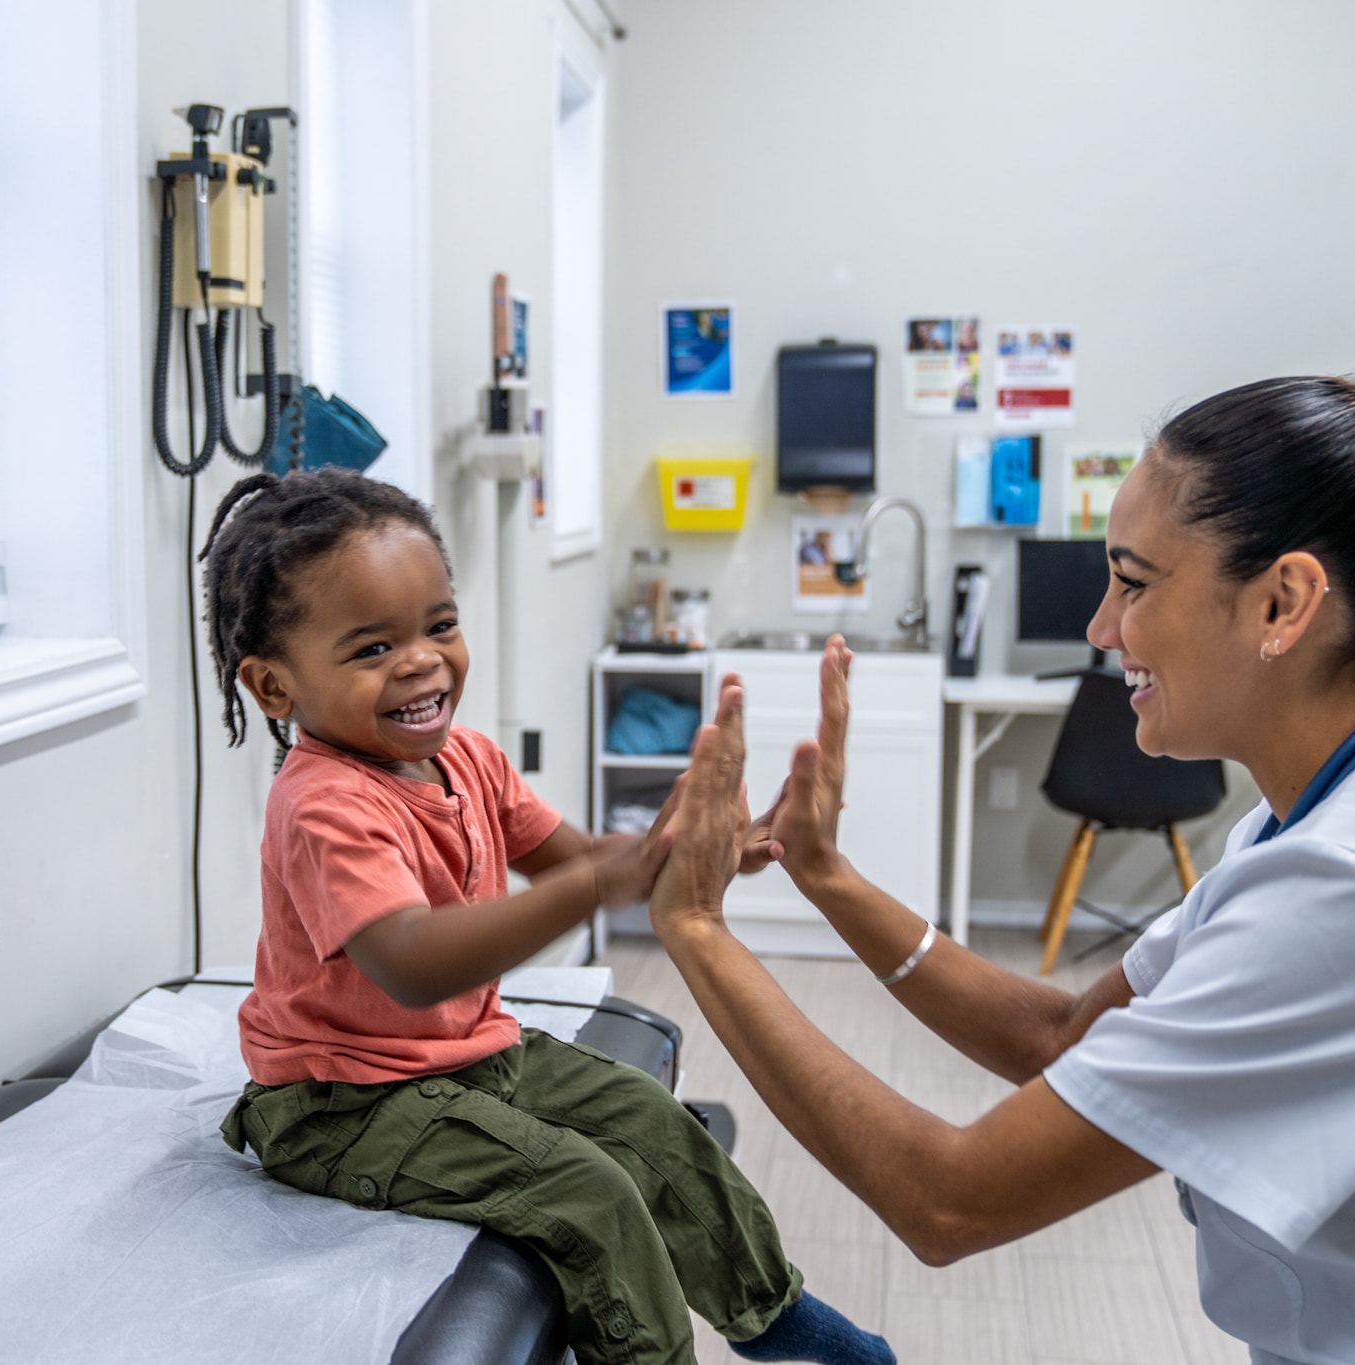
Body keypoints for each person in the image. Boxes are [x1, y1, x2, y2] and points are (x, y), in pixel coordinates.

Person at [649, 377, 1355, 1364]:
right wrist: (826, 877)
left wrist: (697, 932)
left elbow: (947, 1199)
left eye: (1133, 584)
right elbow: (1061, 1038)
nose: (1101, 629)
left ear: (1282, 603)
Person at [198, 467, 893, 1365]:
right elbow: (411, 960)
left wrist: (710, 845)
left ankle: (775, 1318)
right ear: (273, 687)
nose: (421, 659)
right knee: (588, 1191)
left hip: (466, 1055)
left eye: (439, 625)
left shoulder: (471, 762)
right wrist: (600, 881)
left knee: (649, 1120)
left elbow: (578, 857)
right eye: (372, 649)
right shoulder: (323, 805)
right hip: (340, 1103)